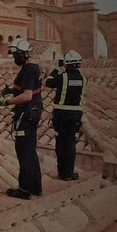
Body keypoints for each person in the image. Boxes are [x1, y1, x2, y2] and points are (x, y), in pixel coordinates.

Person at [1, 37, 44, 199]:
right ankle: (36, 187)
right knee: (30, 151)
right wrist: (11, 91)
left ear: (26, 54)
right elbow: (27, 89)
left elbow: (26, 96)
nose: (15, 58)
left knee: (24, 152)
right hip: (32, 114)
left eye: (17, 54)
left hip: (26, 115)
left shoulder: (28, 70)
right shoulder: (33, 69)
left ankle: (24, 189)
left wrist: (7, 101)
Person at [47, 49, 85, 180]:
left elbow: (48, 82)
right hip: (75, 116)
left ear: (66, 64)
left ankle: (61, 172)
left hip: (61, 115)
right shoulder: (83, 79)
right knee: (70, 144)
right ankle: (69, 173)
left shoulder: (62, 77)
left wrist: (56, 70)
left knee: (60, 143)